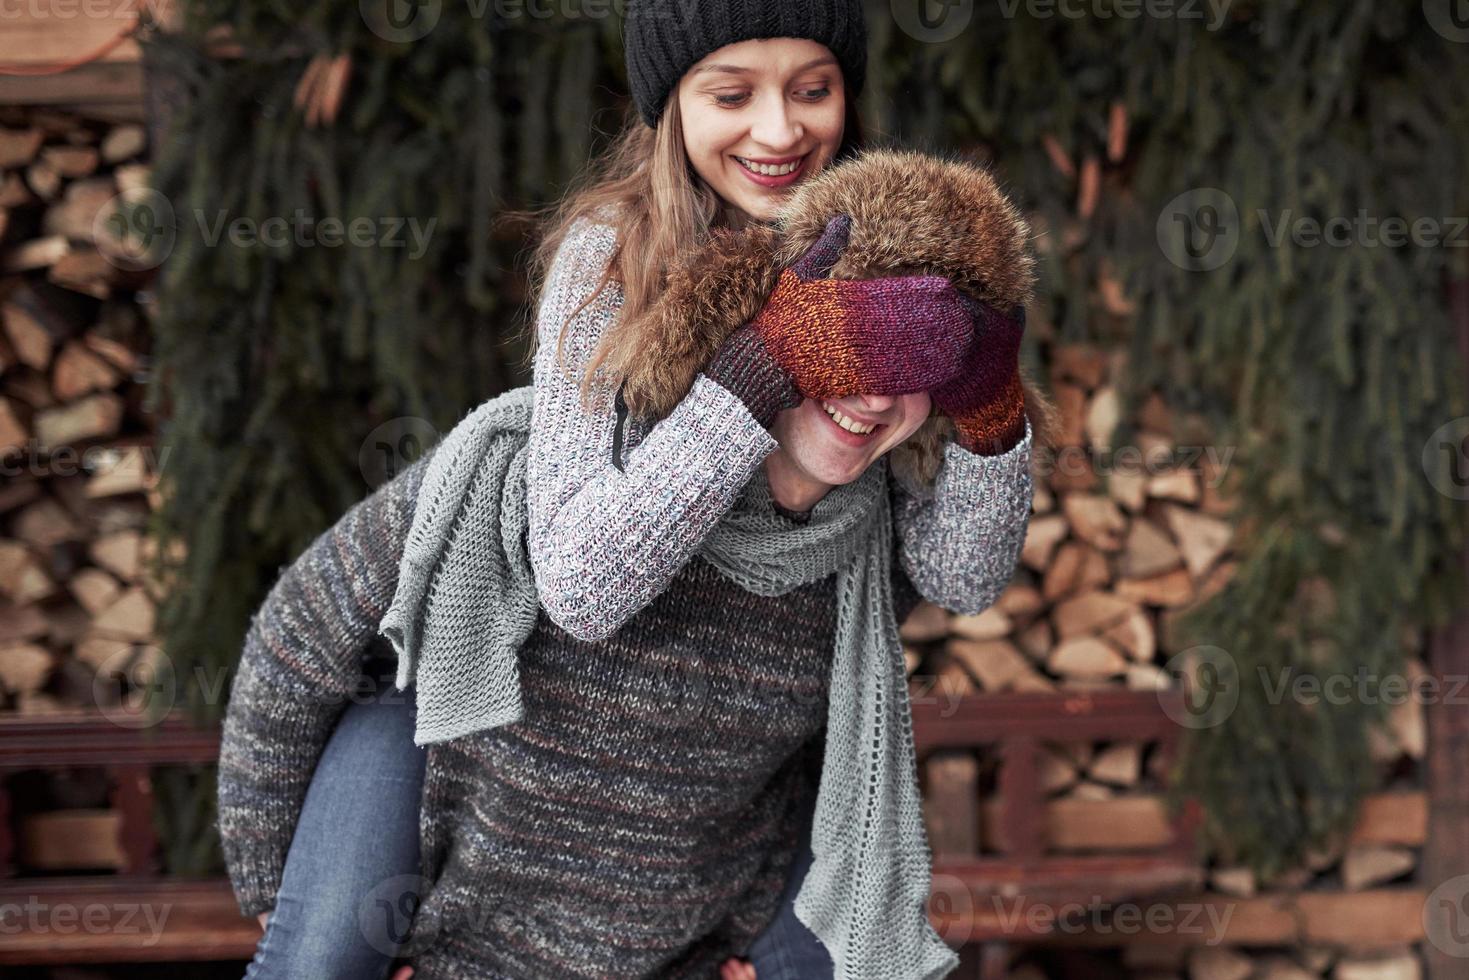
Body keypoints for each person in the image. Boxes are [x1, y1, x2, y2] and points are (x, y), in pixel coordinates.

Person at [218, 1, 1037, 977]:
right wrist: (763, 367)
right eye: (730, 94)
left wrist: (989, 403)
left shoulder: (901, 256)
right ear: (670, 104)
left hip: (701, 822)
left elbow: (959, 573)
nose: (779, 129)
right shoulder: (614, 256)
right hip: (459, 741)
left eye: (812, 89)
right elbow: (577, 582)